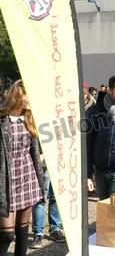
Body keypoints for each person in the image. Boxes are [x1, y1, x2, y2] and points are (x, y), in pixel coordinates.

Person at [0, 80, 43, 256]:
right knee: (7, 235)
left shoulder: (29, 120)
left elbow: (34, 151)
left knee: (22, 231)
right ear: (19, 95)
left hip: (27, 176)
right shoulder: (2, 120)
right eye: (29, 95)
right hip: (6, 180)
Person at [30, 169, 65, 249]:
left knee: (56, 197)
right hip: (41, 164)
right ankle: (38, 234)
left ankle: (55, 229)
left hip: (57, 164)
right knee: (39, 199)